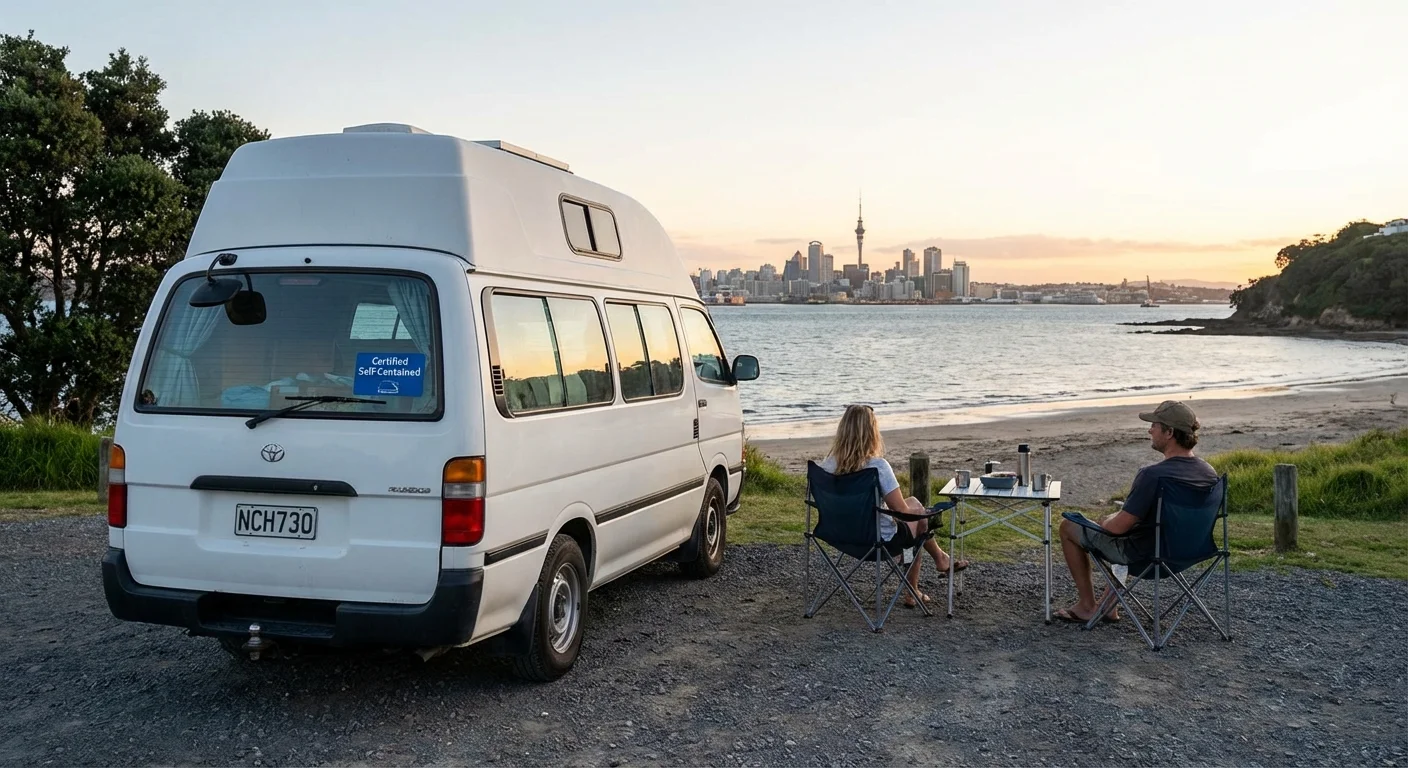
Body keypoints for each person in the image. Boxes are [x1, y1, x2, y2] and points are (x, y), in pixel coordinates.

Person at [1054, 400, 1219, 623]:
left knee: (1069, 526)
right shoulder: (1209, 473)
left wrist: (1105, 520)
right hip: (1188, 554)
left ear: (1169, 432)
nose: (1150, 430)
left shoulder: (1153, 475)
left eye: (1155, 425)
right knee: (1133, 533)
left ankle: (1086, 606)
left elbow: (1118, 527)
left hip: (1145, 558)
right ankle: (1108, 607)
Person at [818, 404, 969, 608]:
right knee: (919, 519)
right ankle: (914, 588)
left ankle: (940, 559)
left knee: (914, 504)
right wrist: (921, 514)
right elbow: (902, 512)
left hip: (838, 535)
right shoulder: (877, 467)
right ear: (872, 432)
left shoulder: (826, 467)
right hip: (876, 540)